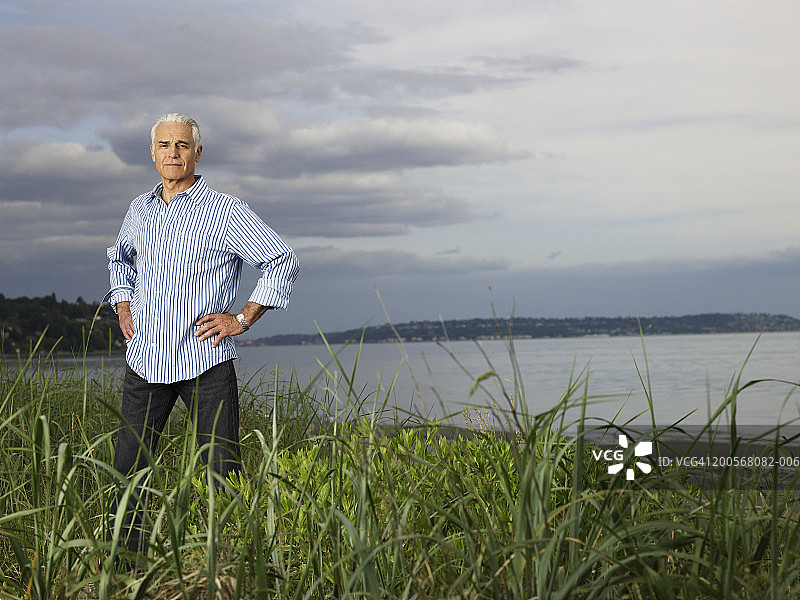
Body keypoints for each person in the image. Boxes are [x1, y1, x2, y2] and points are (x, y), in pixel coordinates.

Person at [104, 113, 298, 559]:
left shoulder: (225, 210)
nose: (173, 153)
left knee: (219, 469)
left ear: (197, 152)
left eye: (182, 146)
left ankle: (220, 564)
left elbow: (281, 259)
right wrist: (123, 302)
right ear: (152, 153)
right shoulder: (140, 208)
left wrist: (243, 318)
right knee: (128, 468)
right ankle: (127, 565)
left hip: (204, 360)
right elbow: (120, 258)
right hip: (145, 359)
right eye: (164, 145)